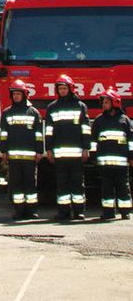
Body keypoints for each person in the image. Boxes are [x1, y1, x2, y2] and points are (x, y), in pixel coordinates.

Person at [45, 75, 91, 220]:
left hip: (77, 154)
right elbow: (49, 131)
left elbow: (85, 129)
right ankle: (63, 212)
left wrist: (86, 148)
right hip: (59, 155)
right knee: (62, 184)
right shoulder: (52, 107)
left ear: (70, 89)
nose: (62, 91)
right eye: (60, 88)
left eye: (65, 88)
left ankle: (78, 211)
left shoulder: (80, 106)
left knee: (77, 183)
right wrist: (49, 149)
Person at [0, 80, 43, 220]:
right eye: (14, 94)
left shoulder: (34, 113)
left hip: (30, 158)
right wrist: (4, 152)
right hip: (14, 158)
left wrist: (39, 151)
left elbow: (38, 134)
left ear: (24, 95)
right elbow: (4, 135)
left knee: (30, 185)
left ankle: (31, 211)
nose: (16, 96)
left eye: (19, 94)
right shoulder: (6, 113)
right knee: (16, 186)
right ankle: (19, 211)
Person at [91, 88, 133, 220]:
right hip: (104, 163)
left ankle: (125, 211)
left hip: (121, 163)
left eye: (107, 102)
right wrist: (93, 157)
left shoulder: (124, 120)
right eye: (103, 103)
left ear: (115, 103)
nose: (104, 105)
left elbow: (131, 140)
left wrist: (131, 156)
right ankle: (108, 212)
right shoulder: (99, 120)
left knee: (123, 187)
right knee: (106, 188)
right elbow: (93, 140)